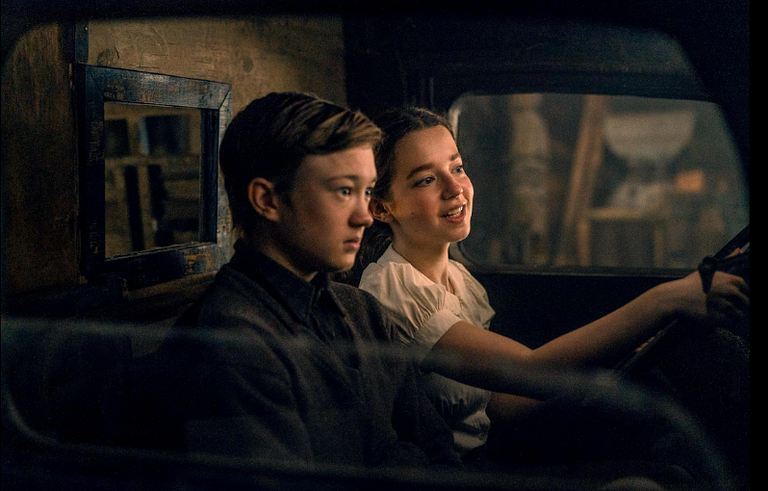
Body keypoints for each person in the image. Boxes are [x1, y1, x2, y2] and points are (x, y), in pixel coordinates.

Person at [354, 106, 749, 472]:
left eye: (457, 168)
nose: (454, 188)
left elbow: (499, 406)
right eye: (426, 180)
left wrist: (614, 372)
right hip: (464, 472)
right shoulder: (394, 290)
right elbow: (529, 371)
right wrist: (666, 300)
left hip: (498, 448)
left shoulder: (460, 280)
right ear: (381, 207)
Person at [120, 93, 463, 470]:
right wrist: (404, 459)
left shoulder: (363, 311)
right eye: (344, 191)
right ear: (267, 200)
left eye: (367, 192)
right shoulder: (231, 343)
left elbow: (437, 446)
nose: (365, 216)